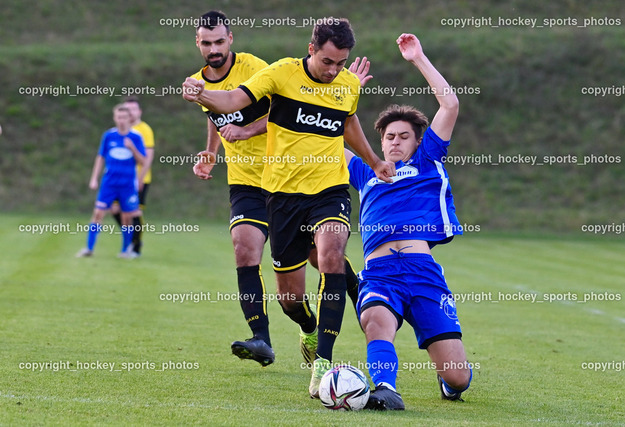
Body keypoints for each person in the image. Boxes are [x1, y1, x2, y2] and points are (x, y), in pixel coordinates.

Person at [183, 17, 395, 397]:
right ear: (311, 49)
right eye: (328, 62)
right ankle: (308, 329)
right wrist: (201, 93)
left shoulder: (346, 84)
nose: (334, 71)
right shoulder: (280, 73)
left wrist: (375, 161)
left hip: (329, 189)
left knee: (331, 255)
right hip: (281, 195)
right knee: (291, 300)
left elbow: (347, 122)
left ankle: (324, 366)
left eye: (341, 63)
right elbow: (232, 101)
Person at [346, 33, 472, 410]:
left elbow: (449, 104)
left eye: (404, 136)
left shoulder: (428, 160)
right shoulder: (363, 169)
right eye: (389, 137)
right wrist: (343, 89)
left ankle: (450, 381)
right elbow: (324, 135)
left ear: (418, 142)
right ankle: (385, 389)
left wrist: (418, 58)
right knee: (376, 321)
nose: (395, 142)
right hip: (380, 270)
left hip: (422, 270)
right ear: (380, 142)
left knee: (457, 376)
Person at [76, 104, 146, 258]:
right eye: (118, 117)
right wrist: (94, 178)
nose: (121, 120)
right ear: (115, 118)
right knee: (98, 214)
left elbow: (143, 161)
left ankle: (125, 250)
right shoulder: (108, 136)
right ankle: (89, 248)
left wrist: (133, 149)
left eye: (124, 117)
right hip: (109, 183)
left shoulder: (136, 137)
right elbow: (100, 157)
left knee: (126, 217)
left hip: (127, 184)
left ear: (130, 119)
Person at [111, 97, 155, 257]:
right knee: (115, 209)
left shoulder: (144, 129)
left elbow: (148, 156)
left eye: (133, 109)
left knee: (134, 212)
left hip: (138, 179)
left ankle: (136, 247)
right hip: (121, 179)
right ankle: (129, 239)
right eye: (127, 109)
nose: (130, 113)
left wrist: (140, 178)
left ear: (139, 111)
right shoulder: (122, 130)